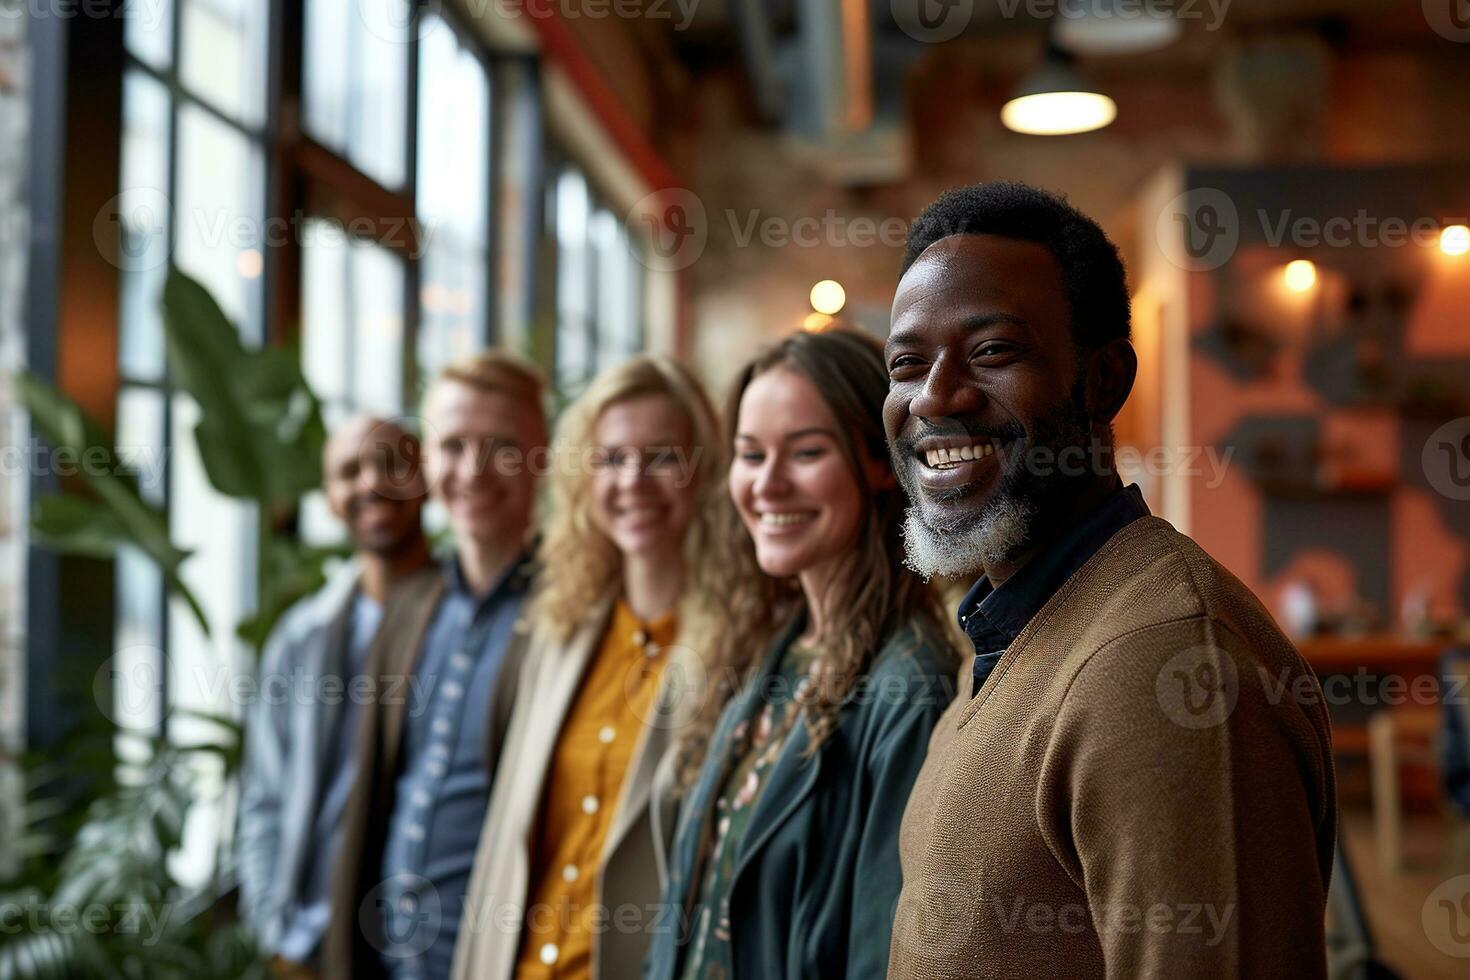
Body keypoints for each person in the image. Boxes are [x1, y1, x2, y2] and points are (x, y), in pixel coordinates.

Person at [883, 181, 1338, 977]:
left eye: (992, 352)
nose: (935, 396)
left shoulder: (1163, 664)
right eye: (906, 363)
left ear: (1103, 382)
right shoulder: (1009, 624)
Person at [643, 329, 960, 980]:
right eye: (749, 454)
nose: (768, 485)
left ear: (880, 464)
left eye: (807, 452)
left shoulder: (909, 684)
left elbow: (884, 955)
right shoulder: (774, 648)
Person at [452, 355, 725, 980]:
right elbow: (505, 843)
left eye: (660, 457)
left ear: (703, 473)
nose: (632, 480)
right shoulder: (559, 630)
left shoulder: (738, 648)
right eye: (610, 459)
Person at [323, 351, 549, 980]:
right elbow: (370, 801)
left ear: (543, 457)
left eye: (501, 446)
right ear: (426, 461)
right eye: (452, 445)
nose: (472, 470)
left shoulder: (572, 618)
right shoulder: (409, 608)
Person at [238, 415, 432, 980]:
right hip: (310, 945)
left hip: (419, 947)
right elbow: (263, 794)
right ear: (329, 498)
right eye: (349, 472)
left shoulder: (461, 626)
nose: (371, 483)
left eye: (392, 464)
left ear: (425, 478)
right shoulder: (302, 637)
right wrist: (273, 927)